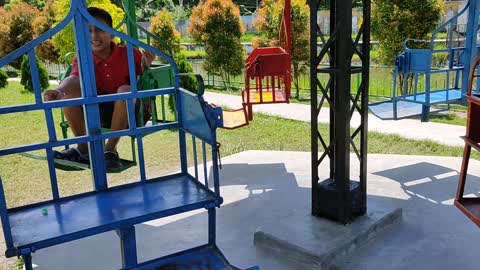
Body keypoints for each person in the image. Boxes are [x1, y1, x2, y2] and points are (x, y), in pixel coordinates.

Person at [43, 7, 155, 171]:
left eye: (100, 29)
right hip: (98, 112)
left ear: (112, 34)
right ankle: (84, 148)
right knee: (69, 91)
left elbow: (143, 80)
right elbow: (73, 79)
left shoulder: (130, 53)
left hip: (130, 112)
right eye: (89, 31)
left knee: (125, 89)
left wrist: (146, 65)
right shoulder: (83, 58)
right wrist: (59, 91)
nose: (94, 36)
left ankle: (110, 150)